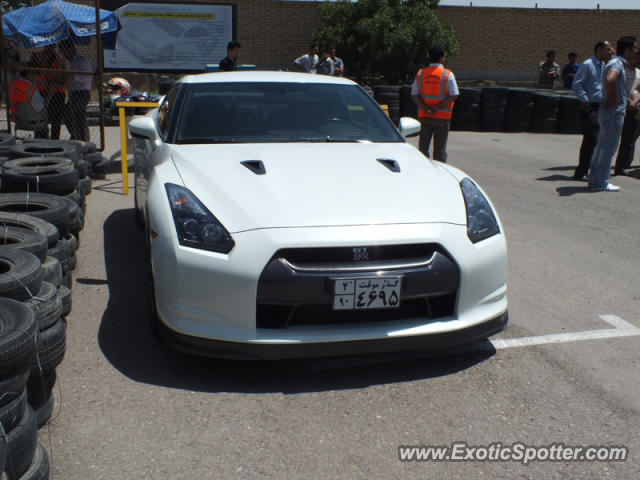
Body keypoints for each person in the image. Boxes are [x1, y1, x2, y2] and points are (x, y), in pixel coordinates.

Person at [589, 36, 637, 192]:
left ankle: (595, 179)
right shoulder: (617, 63)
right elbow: (611, 79)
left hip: (607, 112)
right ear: (628, 50)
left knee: (601, 147)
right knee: (608, 148)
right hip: (613, 112)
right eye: (634, 48)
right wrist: (612, 99)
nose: (634, 52)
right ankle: (600, 182)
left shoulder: (612, 62)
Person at [572, 40, 615, 180]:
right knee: (591, 139)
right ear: (599, 49)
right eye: (607, 49)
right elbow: (577, 84)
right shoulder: (587, 65)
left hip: (601, 107)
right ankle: (581, 172)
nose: (610, 52)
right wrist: (585, 99)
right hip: (590, 107)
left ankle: (590, 169)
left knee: (598, 141)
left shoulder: (604, 65)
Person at [410, 46, 459, 162]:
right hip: (441, 119)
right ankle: (439, 173)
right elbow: (454, 95)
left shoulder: (421, 74)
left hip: (425, 117)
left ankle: (423, 171)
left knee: (422, 149)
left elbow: (414, 94)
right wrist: (437, 108)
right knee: (439, 152)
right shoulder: (447, 74)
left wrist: (425, 108)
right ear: (442, 58)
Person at [613, 47, 640, 176]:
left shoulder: (639, 73)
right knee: (613, 139)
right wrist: (628, 100)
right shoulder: (622, 71)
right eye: (635, 58)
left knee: (628, 141)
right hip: (620, 108)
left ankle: (621, 166)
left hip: (634, 110)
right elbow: (619, 88)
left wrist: (635, 102)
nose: (637, 61)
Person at [60, 40, 93, 141]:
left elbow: (87, 77)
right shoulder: (71, 62)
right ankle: (81, 138)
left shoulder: (80, 61)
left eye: (64, 52)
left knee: (69, 111)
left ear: (70, 49)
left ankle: (78, 136)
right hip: (74, 93)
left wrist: (73, 77)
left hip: (82, 93)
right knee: (79, 116)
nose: (64, 55)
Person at [8, 70, 48, 137]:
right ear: (29, 74)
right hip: (33, 122)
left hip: (18, 120)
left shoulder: (12, 83)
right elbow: (39, 108)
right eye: (36, 75)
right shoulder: (32, 88)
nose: (36, 78)